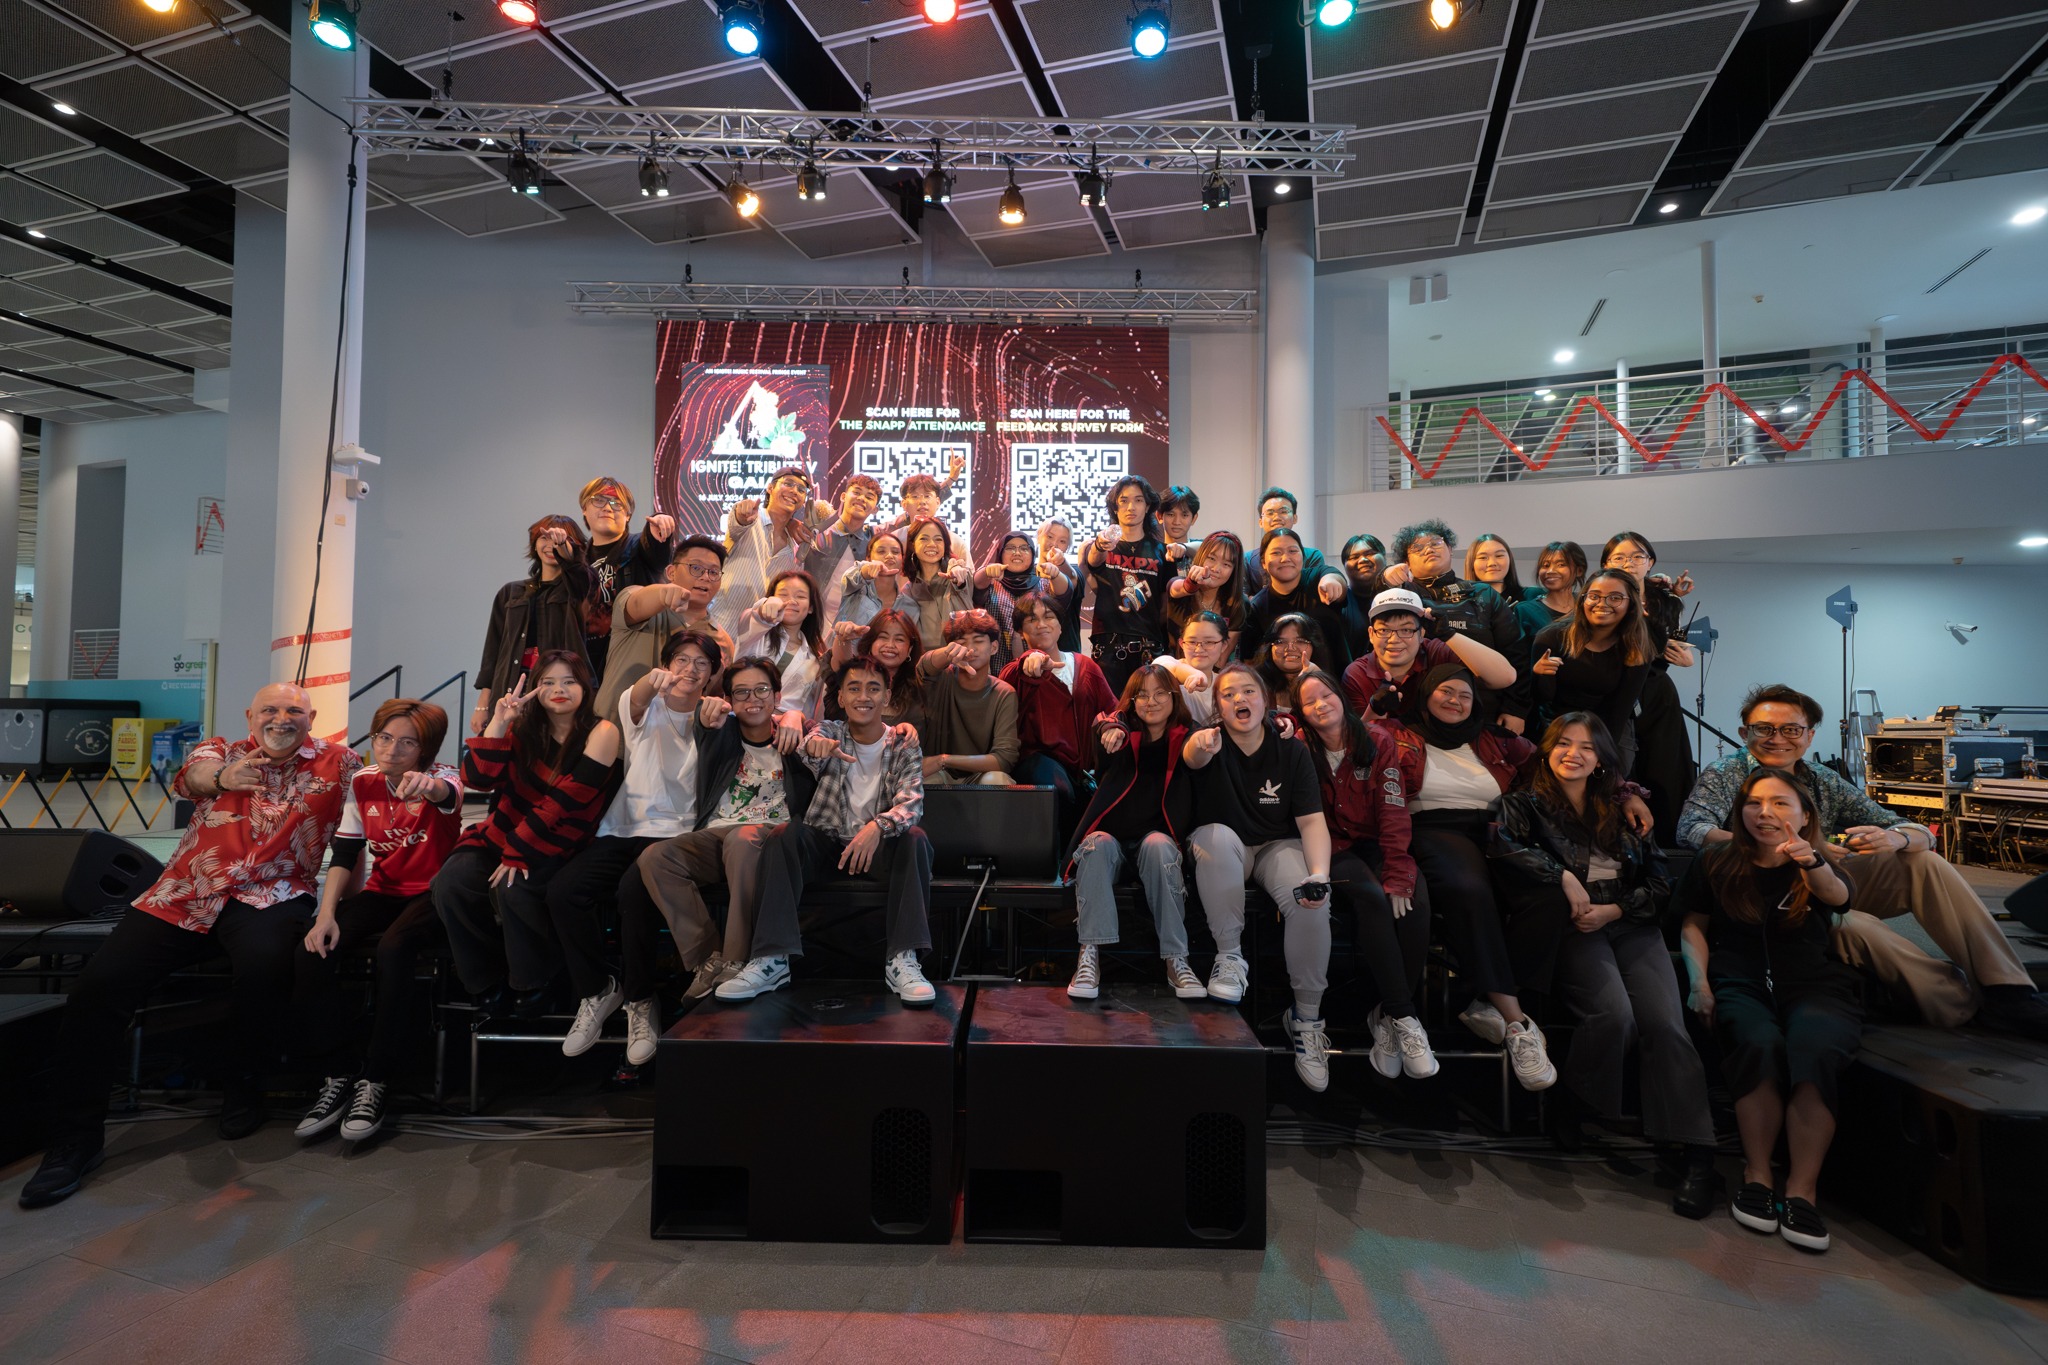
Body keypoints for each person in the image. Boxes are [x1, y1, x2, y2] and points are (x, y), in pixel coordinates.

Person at [21, 683, 363, 1209]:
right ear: (250, 715)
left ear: (311, 717)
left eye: (293, 709)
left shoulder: (340, 764)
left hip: (273, 893)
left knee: (265, 968)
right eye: (269, 709)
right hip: (185, 893)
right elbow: (195, 778)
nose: (281, 718)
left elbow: (366, 821)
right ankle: (75, 1138)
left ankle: (243, 1082)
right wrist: (225, 778)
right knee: (98, 988)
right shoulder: (220, 750)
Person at [1678, 684, 2048, 1038]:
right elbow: (1691, 828)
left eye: (1791, 729)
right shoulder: (1726, 773)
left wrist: (1897, 837)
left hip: (1822, 882)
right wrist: (1780, 846)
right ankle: (1958, 1002)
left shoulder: (1822, 779)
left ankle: (2007, 991)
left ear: (1809, 736)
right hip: (1766, 899)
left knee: (1923, 861)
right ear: (1745, 733)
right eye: (1764, 729)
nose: (1777, 739)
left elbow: (1914, 830)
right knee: (1851, 924)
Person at [1491, 714, 1719, 1219]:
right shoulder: (1524, 803)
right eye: (1563, 743)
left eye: (1586, 747)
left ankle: (1697, 1151)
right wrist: (1562, 877)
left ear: (1601, 760)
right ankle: (1575, 1102)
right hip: (1573, 925)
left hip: (1629, 920)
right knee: (1614, 1015)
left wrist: (1616, 910)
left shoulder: (1623, 809)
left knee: (1666, 1024)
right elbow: (1505, 847)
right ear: (1548, 749)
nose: (1573, 753)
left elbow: (1659, 883)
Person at [1680, 768, 1860, 1253]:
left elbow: (1839, 897)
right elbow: (1693, 925)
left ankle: (1802, 1189)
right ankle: (1757, 1173)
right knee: (1756, 1042)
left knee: (1815, 1048)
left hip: (1813, 983)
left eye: (1780, 803)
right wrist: (1700, 983)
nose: (1765, 813)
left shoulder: (1818, 862)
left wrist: (1810, 859)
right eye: (1754, 803)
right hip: (1737, 979)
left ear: (1805, 815)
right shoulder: (1716, 859)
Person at [543, 633, 742, 1061]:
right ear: (666, 664)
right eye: (681, 660)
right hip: (622, 828)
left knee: (633, 895)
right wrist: (655, 680)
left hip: (678, 835)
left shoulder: (716, 715)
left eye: (701, 663)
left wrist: (723, 711)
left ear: (713, 672)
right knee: (563, 891)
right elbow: (638, 694)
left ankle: (640, 1000)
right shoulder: (642, 705)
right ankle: (598, 990)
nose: (690, 669)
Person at [721, 658, 938, 1005]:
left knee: (915, 839)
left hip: (878, 850)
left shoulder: (902, 743)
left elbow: (911, 802)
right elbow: (811, 745)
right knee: (784, 836)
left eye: (873, 688)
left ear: (886, 697)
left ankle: (903, 959)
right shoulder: (830, 732)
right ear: (841, 696)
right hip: (829, 847)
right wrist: (814, 747)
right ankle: (771, 958)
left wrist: (877, 826)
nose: (863, 696)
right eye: (854, 688)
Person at [294, 699, 461, 1146]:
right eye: (384, 738)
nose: (391, 750)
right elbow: (346, 853)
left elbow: (447, 794)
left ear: (426, 749)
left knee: (394, 948)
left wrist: (428, 786)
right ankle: (339, 1072)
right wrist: (326, 915)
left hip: (432, 894)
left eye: (408, 742)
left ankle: (378, 1078)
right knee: (312, 951)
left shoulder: (444, 777)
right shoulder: (364, 781)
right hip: (383, 891)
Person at [1385, 664, 1557, 1092]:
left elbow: (1558, 761)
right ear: (1426, 694)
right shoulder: (1397, 734)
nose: (1455, 701)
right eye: (1445, 691)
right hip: (1431, 828)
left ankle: (1484, 998)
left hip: (1496, 832)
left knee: (1549, 893)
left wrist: (1626, 792)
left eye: (1464, 695)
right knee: (1469, 888)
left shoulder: (1495, 738)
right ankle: (1517, 1023)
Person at [628, 656, 812, 1043]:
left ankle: (736, 959)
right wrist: (709, 709)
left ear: (777, 696)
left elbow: (819, 731)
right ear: (729, 699)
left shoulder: (795, 736)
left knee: (742, 840)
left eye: (761, 690)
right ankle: (709, 958)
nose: (752, 699)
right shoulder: (719, 731)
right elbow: (705, 715)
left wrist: (796, 717)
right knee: (656, 857)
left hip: (770, 837)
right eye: (741, 692)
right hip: (717, 834)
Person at [432, 651, 622, 1021]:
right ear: (535, 688)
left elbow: (565, 802)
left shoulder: (602, 732)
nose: (559, 689)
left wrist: (517, 850)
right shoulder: (522, 728)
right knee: (451, 883)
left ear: (586, 686)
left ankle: (535, 981)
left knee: (513, 888)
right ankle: (487, 981)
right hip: (502, 834)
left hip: (559, 841)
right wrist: (499, 723)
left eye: (569, 681)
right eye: (548, 682)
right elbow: (478, 780)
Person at [1184, 663, 1336, 1092]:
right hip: (1225, 846)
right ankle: (1230, 957)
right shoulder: (1209, 740)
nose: (1239, 699)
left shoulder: (1291, 747)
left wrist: (1320, 875)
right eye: (1228, 694)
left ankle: (1306, 1019)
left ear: (1265, 699)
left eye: (1248, 691)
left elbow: (1311, 821)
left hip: (1275, 845)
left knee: (1311, 897)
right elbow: (1192, 755)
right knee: (1215, 837)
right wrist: (1201, 742)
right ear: (1218, 707)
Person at [1290, 668, 1434, 1082]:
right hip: (1331, 846)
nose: (1321, 705)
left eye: (1326, 695)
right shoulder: (1300, 746)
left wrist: (1399, 870)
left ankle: (1386, 1019)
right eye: (1309, 702)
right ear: (1301, 713)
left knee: (1412, 900)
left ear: (1342, 696)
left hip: (1376, 841)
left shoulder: (1377, 740)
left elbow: (1393, 810)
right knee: (1372, 896)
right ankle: (1404, 1015)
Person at [1067, 666, 1204, 1000]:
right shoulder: (1121, 732)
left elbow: (1202, 747)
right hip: (1112, 844)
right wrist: (1111, 728)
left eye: (1159, 694)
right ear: (1131, 700)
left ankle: (1176, 958)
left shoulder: (1188, 736)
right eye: (1141, 695)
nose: (1150, 701)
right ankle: (1089, 955)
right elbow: (1104, 722)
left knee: (1159, 845)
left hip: (1153, 846)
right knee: (1096, 844)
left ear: (1174, 697)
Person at [1383, 519, 1530, 734]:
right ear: (1406, 562)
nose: (1428, 549)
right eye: (1418, 548)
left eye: (1436, 542)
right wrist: (1385, 578)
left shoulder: (1483, 594)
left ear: (1450, 549)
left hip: (1485, 709)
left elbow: (1516, 653)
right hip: (1417, 713)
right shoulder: (1400, 595)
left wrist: (1515, 709)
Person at [1602, 531, 1695, 843]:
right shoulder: (1600, 598)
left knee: (1665, 767)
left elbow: (1673, 642)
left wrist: (1684, 654)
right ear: (1606, 564)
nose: (1628, 563)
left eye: (1637, 556)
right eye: (1619, 557)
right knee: (1622, 766)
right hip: (1616, 690)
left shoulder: (1665, 601)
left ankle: (1668, 840)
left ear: (1650, 562)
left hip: (1657, 692)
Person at [999, 590, 1117, 827]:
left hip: (1082, 772)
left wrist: (1113, 726)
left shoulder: (1086, 666)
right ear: (1020, 632)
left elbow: (1113, 709)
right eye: (1031, 619)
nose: (1041, 624)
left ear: (1061, 626)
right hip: (1038, 768)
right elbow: (1020, 671)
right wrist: (1031, 658)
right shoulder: (1014, 672)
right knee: (1055, 789)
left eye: (1049, 616)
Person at [473, 515, 594, 736]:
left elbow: (581, 578)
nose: (551, 545)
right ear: (534, 544)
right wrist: (483, 704)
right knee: (503, 749)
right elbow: (493, 651)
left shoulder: (579, 588)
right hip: (510, 691)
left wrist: (565, 550)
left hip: (557, 692)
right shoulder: (510, 592)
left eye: (559, 540)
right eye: (544, 538)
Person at [596, 534, 734, 719]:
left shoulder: (722, 641)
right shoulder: (641, 604)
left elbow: (712, 699)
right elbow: (636, 603)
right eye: (696, 568)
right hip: (612, 728)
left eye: (714, 572)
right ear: (671, 572)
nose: (705, 577)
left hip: (672, 735)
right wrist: (664, 594)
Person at [1528, 568, 1653, 767]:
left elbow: (1620, 709)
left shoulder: (1637, 648)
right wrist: (1540, 675)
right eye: (1594, 596)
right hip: (1558, 722)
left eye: (1615, 598)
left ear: (1631, 604)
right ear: (1583, 599)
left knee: (1613, 772)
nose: (1602, 604)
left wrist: (1601, 753)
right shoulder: (1551, 637)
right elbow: (1543, 699)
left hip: (1606, 725)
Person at [1341, 587, 1516, 723]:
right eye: (1384, 630)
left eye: (1406, 630)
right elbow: (1358, 741)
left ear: (1422, 633)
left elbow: (1504, 677)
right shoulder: (1357, 674)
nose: (1394, 639)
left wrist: (1449, 635)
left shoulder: (1436, 652)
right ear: (1371, 634)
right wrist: (1375, 710)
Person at [1082, 475, 1176, 696]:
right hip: (1108, 649)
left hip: (1149, 648)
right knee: (1110, 711)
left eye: (1138, 500)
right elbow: (1094, 560)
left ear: (1148, 506)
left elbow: (1165, 605)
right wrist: (1100, 544)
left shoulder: (1162, 551)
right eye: (1123, 501)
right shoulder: (1104, 545)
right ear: (1115, 507)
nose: (1130, 507)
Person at [577, 475, 676, 675]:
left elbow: (657, 551)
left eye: (616, 503)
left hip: (629, 661)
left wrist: (660, 524)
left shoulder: (639, 548)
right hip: (582, 662)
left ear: (628, 515)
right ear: (584, 509)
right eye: (599, 500)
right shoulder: (576, 561)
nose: (607, 507)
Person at [716, 465, 829, 638]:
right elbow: (737, 523)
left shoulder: (795, 549)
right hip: (720, 627)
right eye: (788, 484)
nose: (794, 491)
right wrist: (741, 512)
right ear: (770, 488)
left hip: (758, 639)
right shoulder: (751, 518)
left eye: (801, 490)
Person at [915, 608, 1018, 785]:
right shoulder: (940, 679)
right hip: (938, 774)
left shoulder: (1003, 693)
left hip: (977, 775)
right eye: (961, 642)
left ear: (994, 647)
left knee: (997, 780)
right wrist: (946, 654)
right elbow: (924, 667)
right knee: (925, 781)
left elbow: (1004, 759)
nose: (970, 648)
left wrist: (944, 759)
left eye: (978, 641)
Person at [1243, 528, 1352, 675]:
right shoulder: (1258, 606)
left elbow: (1335, 580)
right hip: (1284, 685)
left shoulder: (1318, 577)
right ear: (1263, 562)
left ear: (1303, 557)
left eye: (1292, 551)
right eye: (1276, 553)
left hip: (1335, 679)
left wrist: (1332, 582)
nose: (1285, 558)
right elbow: (1250, 660)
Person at [734, 568, 826, 717]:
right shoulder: (754, 632)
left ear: (811, 607)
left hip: (783, 728)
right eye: (783, 594)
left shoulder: (814, 658)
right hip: (741, 719)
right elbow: (754, 616)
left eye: (800, 596)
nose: (791, 601)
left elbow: (806, 709)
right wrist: (766, 606)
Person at [806, 474, 881, 623]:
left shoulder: (873, 541)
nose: (861, 498)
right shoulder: (819, 535)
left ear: (875, 509)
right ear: (843, 496)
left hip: (853, 622)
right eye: (857, 492)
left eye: (869, 497)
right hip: (813, 620)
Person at [1241, 486, 1343, 597]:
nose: (1277, 517)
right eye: (1270, 513)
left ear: (1295, 518)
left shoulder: (1312, 556)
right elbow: (1242, 598)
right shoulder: (1247, 559)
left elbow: (1315, 593)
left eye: (1283, 511)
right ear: (1260, 522)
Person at [1163, 530, 1247, 658]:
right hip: (1176, 666)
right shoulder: (1178, 585)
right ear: (1201, 557)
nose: (1216, 569)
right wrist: (1193, 582)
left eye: (1226, 564)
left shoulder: (1238, 603)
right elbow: (1177, 589)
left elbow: (1222, 658)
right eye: (1211, 558)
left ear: (1234, 571)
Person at [973, 530, 1046, 670]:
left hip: (1038, 665)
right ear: (1000, 553)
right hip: (996, 666)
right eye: (1010, 548)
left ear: (1033, 554)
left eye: (1024, 548)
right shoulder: (990, 582)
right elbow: (976, 583)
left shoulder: (1044, 584)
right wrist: (987, 571)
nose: (1017, 553)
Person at [902, 515, 974, 650]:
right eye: (924, 538)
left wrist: (959, 575)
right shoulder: (909, 590)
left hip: (965, 658)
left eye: (938, 539)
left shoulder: (959, 575)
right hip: (926, 661)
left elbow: (967, 579)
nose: (932, 544)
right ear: (912, 544)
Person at [1156, 609, 1231, 727]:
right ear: (1181, 644)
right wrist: (1196, 675)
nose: (1199, 649)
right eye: (1192, 642)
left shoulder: (1225, 683)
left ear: (1224, 645)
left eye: (1209, 642)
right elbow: (1166, 669)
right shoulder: (1167, 663)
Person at [1253, 613, 1327, 715]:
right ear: (1269, 647)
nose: (1290, 648)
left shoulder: (1326, 684)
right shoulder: (1254, 684)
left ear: (1314, 645)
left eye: (1300, 641)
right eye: (1280, 641)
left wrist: (1320, 682)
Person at [834, 529, 907, 629]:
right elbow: (848, 579)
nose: (889, 556)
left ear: (902, 559)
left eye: (895, 552)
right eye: (881, 551)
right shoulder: (857, 588)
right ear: (868, 558)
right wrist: (865, 570)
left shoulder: (908, 604)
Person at [1516, 540, 1586, 638]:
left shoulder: (1586, 605)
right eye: (1546, 565)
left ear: (1579, 571)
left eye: (1561, 565)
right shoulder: (1526, 610)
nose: (1550, 571)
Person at [1035, 519, 1085, 654]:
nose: (1054, 545)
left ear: (1067, 547)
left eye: (1062, 541)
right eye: (1049, 537)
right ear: (1039, 537)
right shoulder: (1028, 574)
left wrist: (1061, 562)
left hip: (1067, 654)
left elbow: (1072, 577)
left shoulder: (1075, 573)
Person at [1338, 534, 1388, 658]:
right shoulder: (1337, 603)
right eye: (1354, 557)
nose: (1363, 560)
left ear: (1384, 558)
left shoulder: (1400, 594)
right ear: (1344, 566)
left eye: (1370, 553)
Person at [1158, 484, 1201, 565]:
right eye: (1171, 515)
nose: (1177, 522)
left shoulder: (1203, 551)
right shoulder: (1153, 553)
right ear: (1159, 516)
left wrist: (1184, 547)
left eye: (1184, 515)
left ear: (1194, 519)